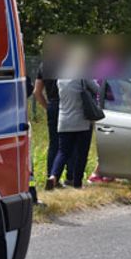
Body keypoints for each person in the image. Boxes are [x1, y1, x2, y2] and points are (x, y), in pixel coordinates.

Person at [47, 57, 100, 190]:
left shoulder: (60, 78)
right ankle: (77, 183)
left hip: (64, 120)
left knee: (62, 152)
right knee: (81, 153)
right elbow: (97, 89)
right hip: (82, 121)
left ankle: (53, 176)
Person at [33, 43, 64, 185]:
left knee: (54, 143)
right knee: (68, 143)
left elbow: (37, 92)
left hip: (52, 105)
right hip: (67, 106)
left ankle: (49, 175)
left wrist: (47, 106)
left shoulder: (43, 66)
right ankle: (66, 177)